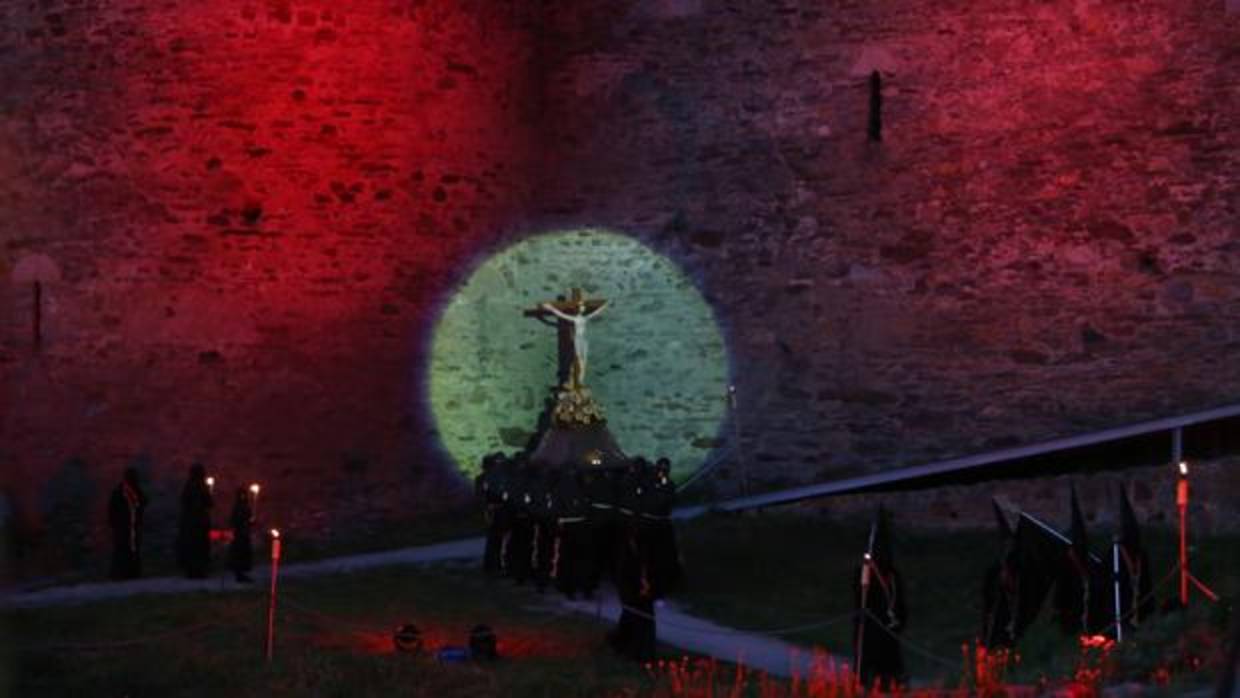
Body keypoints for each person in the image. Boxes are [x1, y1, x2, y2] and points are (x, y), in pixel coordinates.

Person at [853, 506, 907, 691]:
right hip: (871, 629)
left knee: (888, 671)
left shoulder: (893, 575)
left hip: (887, 630)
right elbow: (860, 599)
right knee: (869, 667)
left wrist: (898, 621)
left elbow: (899, 602)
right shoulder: (865, 572)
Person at [108, 466, 148, 580]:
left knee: (123, 551)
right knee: (129, 551)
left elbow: (112, 510)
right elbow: (143, 502)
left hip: (125, 527)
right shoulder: (130, 491)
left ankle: (122, 574)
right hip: (129, 527)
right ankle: (129, 573)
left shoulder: (121, 490)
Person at [176, 463, 213, 579]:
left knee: (191, 546)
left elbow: (184, 501)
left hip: (189, 522)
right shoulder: (202, 487)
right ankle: (198, 571)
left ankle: (191, 571)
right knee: (199, 547)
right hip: (199, 522)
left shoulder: (188, 486)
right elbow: (210, 503)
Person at [228, 486, 254, 583]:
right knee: (240, 554)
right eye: (242, 494)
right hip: (240, 534)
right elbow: (235, 520)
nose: (244, 496)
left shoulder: (244, 505)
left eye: (244, 494)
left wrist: (251, 521)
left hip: (243, 533)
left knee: (243, 555)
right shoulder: (239, 506)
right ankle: (239, 575)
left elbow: (247, 518)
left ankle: (242, 574)